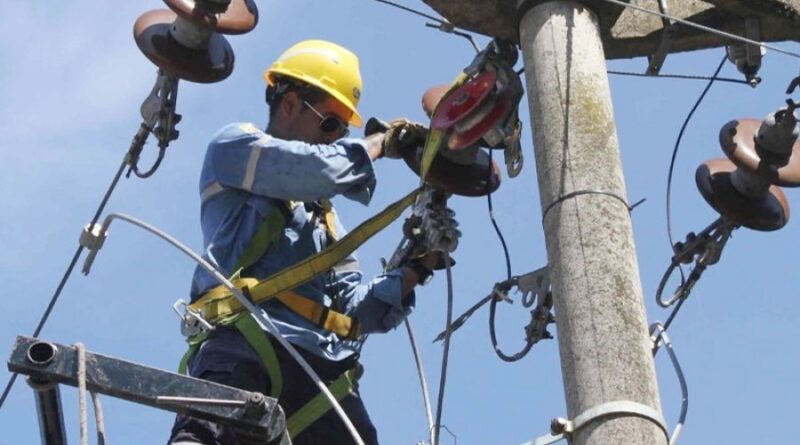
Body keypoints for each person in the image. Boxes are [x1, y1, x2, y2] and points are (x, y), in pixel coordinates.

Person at [168, 39, 442, 445]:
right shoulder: (235, 147)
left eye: (342, 131)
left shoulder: (324, 221)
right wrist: (379, 144)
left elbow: (352, 311)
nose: (335, 139)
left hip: (314, 366)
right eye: (330, 124)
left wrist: (417, 266)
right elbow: (314, 170)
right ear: (290, 104)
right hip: (245, 339)